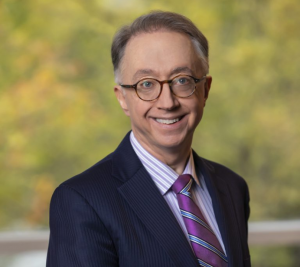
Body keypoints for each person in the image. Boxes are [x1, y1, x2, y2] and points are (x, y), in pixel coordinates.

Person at [47, 11, 251, 267]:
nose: (167, 102)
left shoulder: (232, 187)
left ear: (205, 90)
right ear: (122, 97)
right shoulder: (82, 201)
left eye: (182, 80)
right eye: (146, 84)